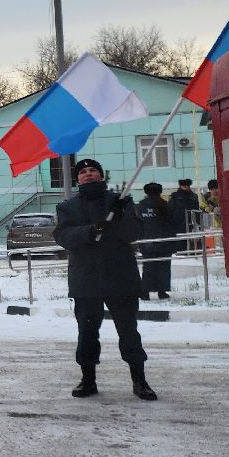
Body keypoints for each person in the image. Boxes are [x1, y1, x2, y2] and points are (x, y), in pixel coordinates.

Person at [53, 158, 155, 400]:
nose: (88, 174)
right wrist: (89, 231)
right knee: (87, 333)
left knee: (129, 331)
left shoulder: (120, 202)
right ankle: (88, 380)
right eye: (83, 172)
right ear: (77, 179)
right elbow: (63, 236)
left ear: (101, 175)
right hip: (86, 281)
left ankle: (139, 381)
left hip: (120, 278)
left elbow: (135, 233)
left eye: (93, 171)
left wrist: (120, 218)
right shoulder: (68, 207)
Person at [136, 182, 175, 301]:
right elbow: (172, 224)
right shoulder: (165, 205)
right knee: (163, 267)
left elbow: (137, 224)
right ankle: (162, 292)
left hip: (146, 241)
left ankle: (145, 292)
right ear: (160, 191)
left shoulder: (140, 206)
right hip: (164, 241)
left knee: (148, 267)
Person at [168, 178, 199, 252]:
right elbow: (170, 209)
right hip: (177, 223)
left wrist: (197, 221)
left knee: (187, 240)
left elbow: (196, 209)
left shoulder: (193, 196)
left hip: (190, 222)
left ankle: (186, 253)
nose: (185, 187)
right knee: (179, 241)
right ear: (180, 186)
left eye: (187, 185)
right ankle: (180, 253)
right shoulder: (175, 196)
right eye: (183, 185)